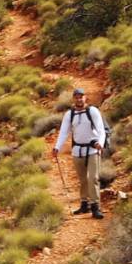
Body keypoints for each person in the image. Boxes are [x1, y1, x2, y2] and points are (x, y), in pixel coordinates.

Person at [51, 87, 109, 219]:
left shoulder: (93, 111)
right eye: (76, 97)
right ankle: (84, 204)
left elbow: (100, 129)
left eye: (81, 96)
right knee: (83, 180)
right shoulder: (69, 114)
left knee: (93, 178)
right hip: (77, 151)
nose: (79, 99)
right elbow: (64, 132)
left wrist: (100, 142)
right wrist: (57, 147)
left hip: (93, 150)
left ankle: (96, 206)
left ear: (85, 97)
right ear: (74, 99)